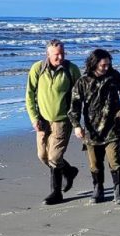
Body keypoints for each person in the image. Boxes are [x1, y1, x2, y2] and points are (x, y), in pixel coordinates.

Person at [69, 49, 120, 204]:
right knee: (95, 163)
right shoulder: (83, 81)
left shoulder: (113, 76)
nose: (107, 67)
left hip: (112, 127)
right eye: (103, 65)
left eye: (109, 64)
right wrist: (76, 126)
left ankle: (118, 191)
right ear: (94, 64)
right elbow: (74, 106)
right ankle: (98, 189)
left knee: (115, 159)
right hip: (92, 131)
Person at [25, 39, 82, 205]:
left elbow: (79, 96)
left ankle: (56, 193)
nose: (60, 57)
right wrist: (34, 118)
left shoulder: (71, 70)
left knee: (55, 157)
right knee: (42, 156)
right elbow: (29, 96)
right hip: (42, 121)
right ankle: (69, 171)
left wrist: (76, 120)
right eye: (56, 54)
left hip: (62, 120)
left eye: (63, 53)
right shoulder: (37, 69)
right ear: (48, 54)